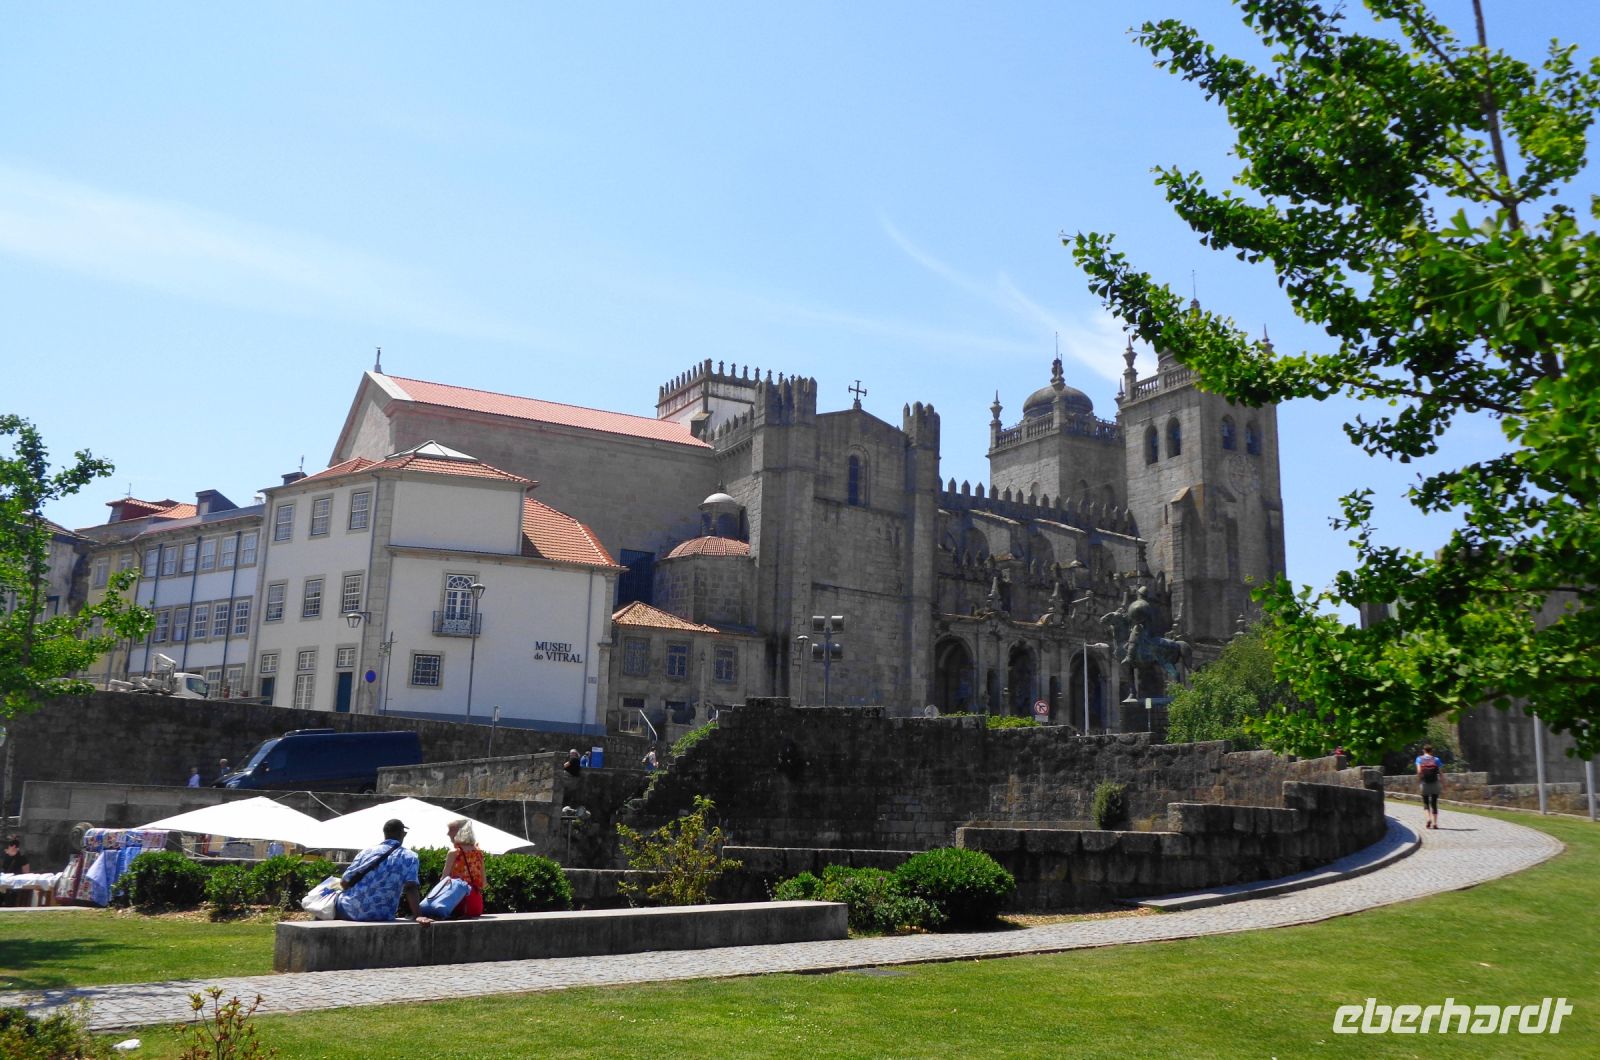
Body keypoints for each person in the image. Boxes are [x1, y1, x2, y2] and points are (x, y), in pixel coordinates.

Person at [333, 818, 432, 924]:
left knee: (327, 900)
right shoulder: (410, 857)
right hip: (383, 914)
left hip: (351, 910)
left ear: (385, 833)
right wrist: (418, 915)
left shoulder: (366, 852)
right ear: (402, 834)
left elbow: (344, 883)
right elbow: (411, 887)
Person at [443, 818, 485, 918]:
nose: (447, 833)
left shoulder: (454, 853)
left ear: (459, 831)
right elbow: (483, 883)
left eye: (450, 830)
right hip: (475, 905)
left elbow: (443, 880)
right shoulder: (478, 852)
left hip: (457, 904)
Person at [1416, 743, 1444, 830]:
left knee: (1426, 803)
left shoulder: (1419, 759)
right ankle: (1435, 823)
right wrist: (1444, 784)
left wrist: (1419, 781)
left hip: (1425, 784)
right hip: (1435, 783)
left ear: (1423, 751)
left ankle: (1428, 819)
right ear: (1431, 751)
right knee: (1434, 803)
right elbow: (1441, 774)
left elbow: (1419, 772)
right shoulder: (1436, 759)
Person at [2, 836, 29, 906]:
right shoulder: (4, 856)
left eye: (7, 847)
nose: (5, 849)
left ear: (13, 846)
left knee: (10, 901)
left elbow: (26, 873)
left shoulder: (22, 858)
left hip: (14, 885)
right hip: (3, 883)